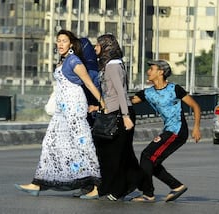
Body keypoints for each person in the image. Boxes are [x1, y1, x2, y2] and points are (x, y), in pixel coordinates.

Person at [14, 29, 103, 196]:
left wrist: (102, 103)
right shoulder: (63, 61)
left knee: (82, 144)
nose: (60, 44)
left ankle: (96, 185)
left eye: (64, 41)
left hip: (74, 107)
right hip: (62, 109)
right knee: (49, 143)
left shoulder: (74, 61)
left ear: (71, 44)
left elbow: (89, 83)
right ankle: (38, 183)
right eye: (58, 41)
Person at [79, 34, 144, 201]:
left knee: (110, 153)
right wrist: (99, 106)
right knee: (121, 153)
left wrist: (125, 116)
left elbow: (121, 92)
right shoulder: (111, 64)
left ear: (106, 46)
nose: (95, 48)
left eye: (98, 45)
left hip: (119, 114)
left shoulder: (113, 65)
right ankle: (128, 185)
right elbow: (111, 93)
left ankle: (110, 188)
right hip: (113, 111)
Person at [130, 59, 201, 202]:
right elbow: (129, 101)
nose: (148, 72)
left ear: (161, 72)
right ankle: (176, 186)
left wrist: (196, 128)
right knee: (152, 161)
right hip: (168, 130)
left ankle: (148, 194)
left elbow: (195, 106)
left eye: (152, 69)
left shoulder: (174, 89)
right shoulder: (148, 92)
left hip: (177, 130)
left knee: (147, 156)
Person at [70, 37, 101, 198]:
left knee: (87, 151)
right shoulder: (94, 69)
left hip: (89, 115)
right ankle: (89, 185)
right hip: (90, 115)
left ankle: (91, 186)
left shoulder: (87, 71)